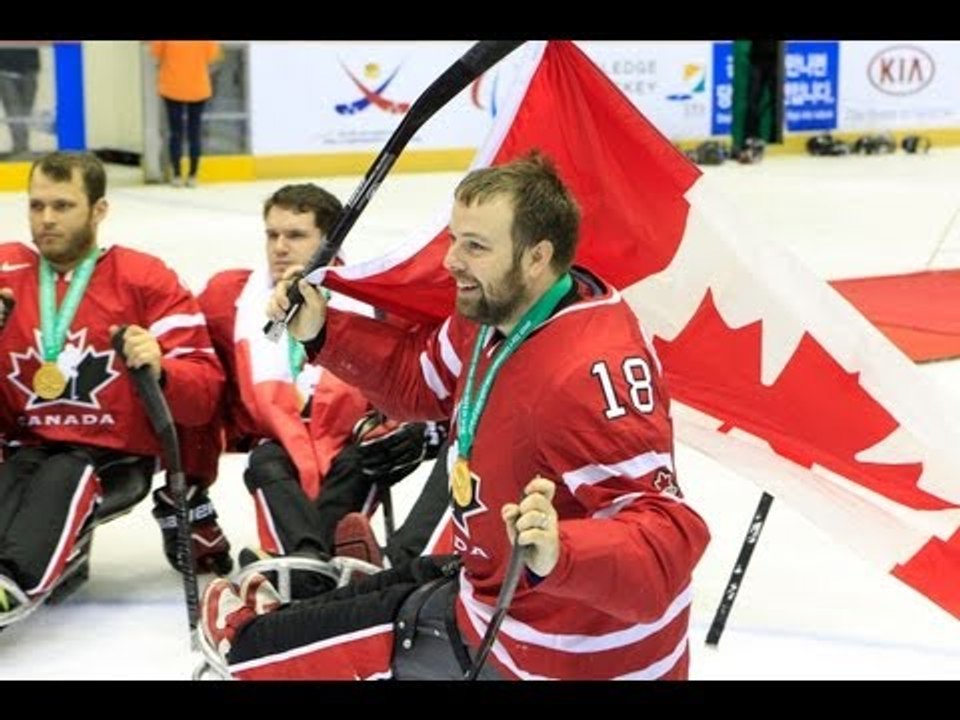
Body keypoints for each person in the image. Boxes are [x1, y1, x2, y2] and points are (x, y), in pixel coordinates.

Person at [200, 151, 711, 680]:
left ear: (537, 256)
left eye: (475, 246)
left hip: (559, 648)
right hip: (491, 579)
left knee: (254, 653)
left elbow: (666, 537)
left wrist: (562, 550)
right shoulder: (498, 311)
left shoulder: (588, 369)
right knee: (335, 605)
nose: (451, 261)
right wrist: (322, 333)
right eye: (454, 239)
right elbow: (419, 378)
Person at [182, 183, 450, 593]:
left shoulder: (371, 301)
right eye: (272, 235)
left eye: (296, 235)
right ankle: (314, 563)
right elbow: (202, 372)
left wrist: (404, 429)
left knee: (362, 459)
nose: (279, 247)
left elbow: (413, 380)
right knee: (265, 461)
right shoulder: (235, 299)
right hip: (279, 439)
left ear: (329, 241)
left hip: (352, 440)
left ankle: (297, 570)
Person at [0, 151, 230, 617]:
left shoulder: (143, 278)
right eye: (36, 205)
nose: (45, 219)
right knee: (21, 473)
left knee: (68, 472)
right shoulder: (4, 272)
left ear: (98, 210)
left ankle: (11, 581)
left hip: (111, 455)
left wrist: (163, 367)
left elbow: (205, 392)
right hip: (23, 444)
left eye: (62, 206)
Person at [149, 41, 221, 188]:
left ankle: (176, 174)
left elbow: (156, 53)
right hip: (198, 87)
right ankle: (193, 175)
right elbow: (212, 56)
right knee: (194, 133)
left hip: (172, 87)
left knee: (175, 133)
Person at [0, 47, 40, 157]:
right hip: (5, 69)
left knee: (26, 113)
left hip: (30, 69)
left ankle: (21, 148)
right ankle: (21, 149)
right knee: (14, 112)